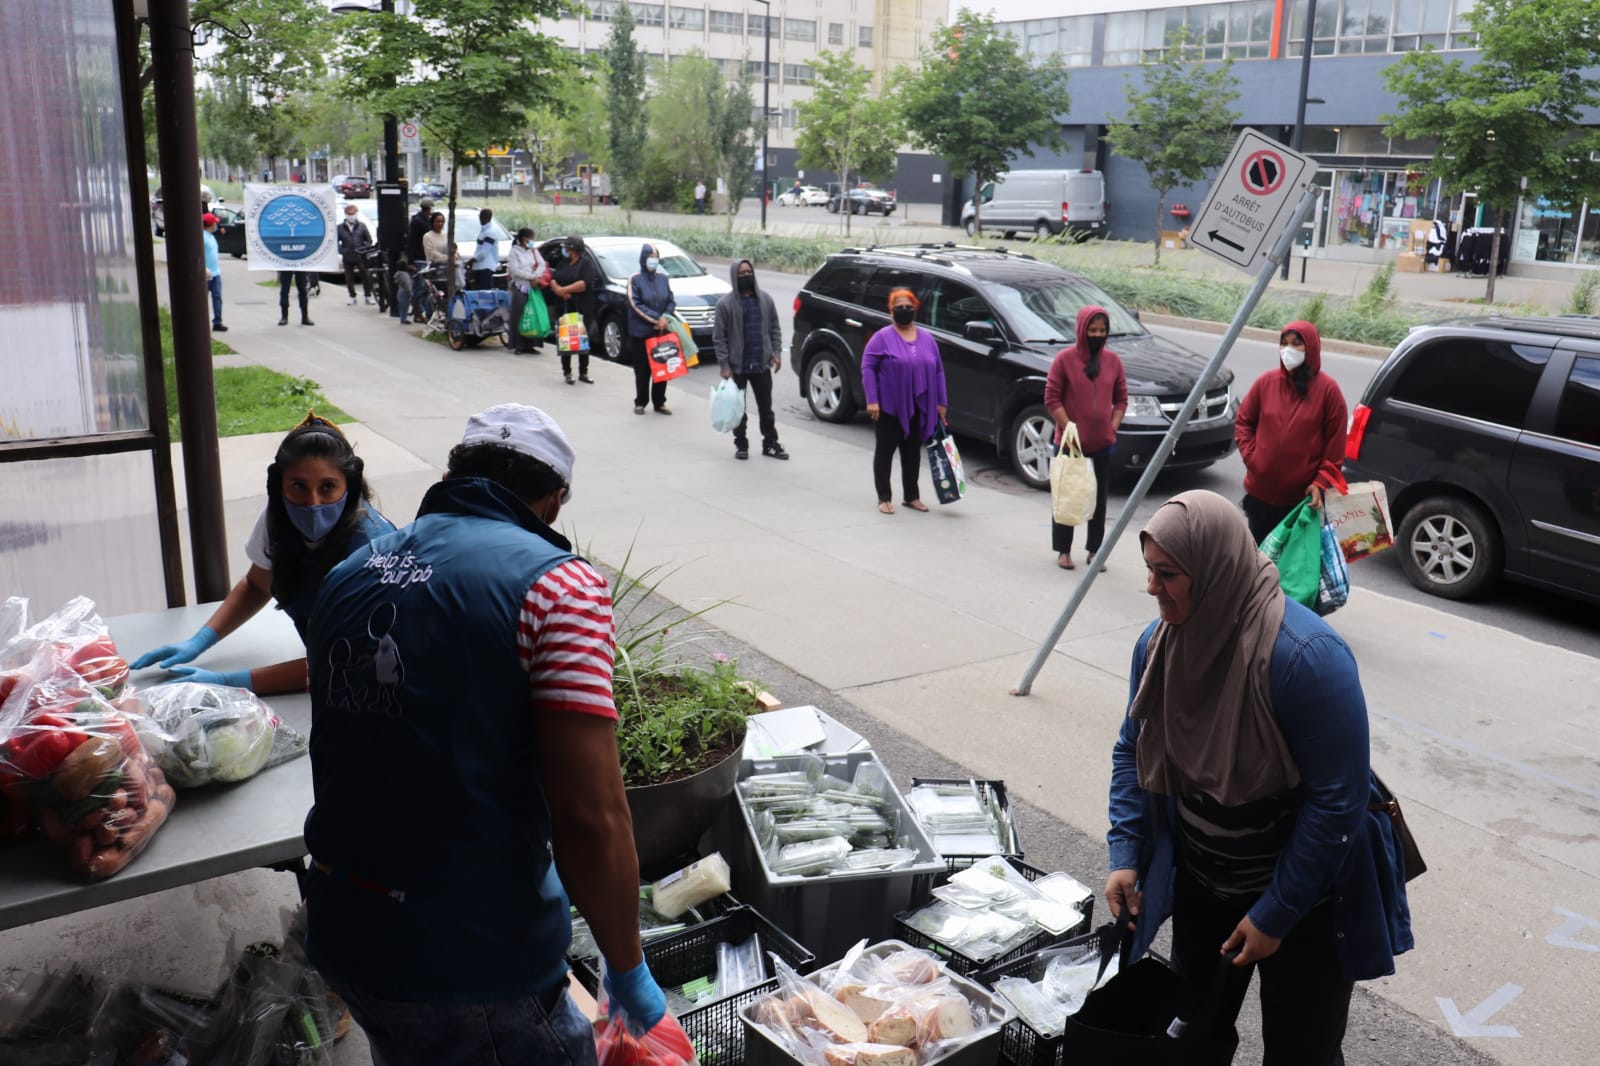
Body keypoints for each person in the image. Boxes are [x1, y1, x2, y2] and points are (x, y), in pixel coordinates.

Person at [301, 404, 667, 1066]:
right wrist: (626, 962)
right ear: (553, 502)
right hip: (472, 965)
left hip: (343, 936)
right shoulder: (559, 588)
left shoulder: (346, 575)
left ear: (450, 475)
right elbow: (590, 816)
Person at [1105, 490, 1412, 1065]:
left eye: (1168, 574)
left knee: (1302, 1049)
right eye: (1149, 571)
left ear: (1215, 569)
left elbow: (1337, 803)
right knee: (1191, 1036)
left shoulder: (1306, 659)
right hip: (1203, 884)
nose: (1152, 589)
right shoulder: (1159, 648)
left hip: (1305, 903)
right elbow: (1132, 749)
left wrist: (1276, 914)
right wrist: (1126, 853)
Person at [129, 414, 395, 694]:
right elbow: (257, 585)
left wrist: (232, 682)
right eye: (298, 486)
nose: (312, 502)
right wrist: (199, 640)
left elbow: (352, 658)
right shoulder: (278, 519)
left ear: (349, 487)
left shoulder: (373, 549)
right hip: (322, 665)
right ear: (279, 486)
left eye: (328, 487)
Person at [1234, 320, 1348, 544]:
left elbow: (1335, 448)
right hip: (1260, 497)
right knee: (1259, 560)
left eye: (1296, 344)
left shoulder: (1329, 391)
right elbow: (1244, 422)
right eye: (1284, 343)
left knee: (1290, 570)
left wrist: (1320, 482)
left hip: (1299, 502)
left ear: (1311, 348)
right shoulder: (1265, 383)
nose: (1288, 350)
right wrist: (1253, 458)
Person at [1044, 306, 1127, 570]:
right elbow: (1051, 398)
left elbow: (1121, 399)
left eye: (1102, 331)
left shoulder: (1113, 361)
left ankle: (1094, 551)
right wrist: (1068, 427)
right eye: (1092, 330)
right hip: (1070, 444)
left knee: (1098, 499)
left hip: (1102, 444)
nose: (1097, 335)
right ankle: (1063, 551)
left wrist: (1112, 427)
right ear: (1082, 330)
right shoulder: (1064, 360)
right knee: (1067, 495)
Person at [861, 288, 946, 515]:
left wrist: (941, 403)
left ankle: (911, 496)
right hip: (889, 406)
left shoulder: (927, 339)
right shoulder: (882, 338)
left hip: (919, 405)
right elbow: (868, 367)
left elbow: (938, 371)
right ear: (891, 311)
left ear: (915, 309)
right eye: (899, 307)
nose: (904, 311)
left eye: (908, 307)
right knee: (885, 451)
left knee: (912, 453)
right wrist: (872, 400)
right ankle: (884, 497)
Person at [713, 259, 787, 461]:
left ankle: (770, 443)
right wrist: (725, 366)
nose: (746, 276)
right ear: (735, 277)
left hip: (761, 365)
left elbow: (775, 329)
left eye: (749, 272)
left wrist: (776, 352)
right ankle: (741, 445)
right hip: (738, 368)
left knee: (766, 409)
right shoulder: (725, 305)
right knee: (739, 411)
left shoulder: (765, 300)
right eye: (742, 273)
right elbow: (719, 339)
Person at [627, 242, 676, 415]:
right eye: (650, 257)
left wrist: (665, 318)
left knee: (661, 368)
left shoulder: (663, 278)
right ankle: (640, 402)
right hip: (642, 332)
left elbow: (671, 300)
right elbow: (635, 304)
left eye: (656, 258)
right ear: (643, 259)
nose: (653, 261)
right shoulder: (635, 279)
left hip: (661, 332)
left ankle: (660, 402)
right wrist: (656, 319)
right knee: (642, 370)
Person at [550, 234, 601, 384]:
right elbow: (554, 278)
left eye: (567, 248)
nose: (565, 251)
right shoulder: (564, 262)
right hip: (565, 308)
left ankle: (583, 372)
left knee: (582, 340)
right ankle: (567, 372)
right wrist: (558, 290)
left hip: (582, 308)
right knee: (566, 339)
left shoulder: (586, 264)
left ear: (573, 249)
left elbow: (584, 283)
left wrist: (565, 290)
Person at [506, 227, 547, 356]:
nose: (531, 241)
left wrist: (536, 275)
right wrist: (531, 277)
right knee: (519, 316)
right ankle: (519, 345)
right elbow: (515, 271)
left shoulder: (533, 251)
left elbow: (542, 264)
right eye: (529, 239)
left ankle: (532, 344)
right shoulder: (514, 252)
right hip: (520, 286)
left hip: (532, 287)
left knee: (533, 314)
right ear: (523, 239)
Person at [337, 203, 375, 306]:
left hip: (361, 255)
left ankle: (368, 295)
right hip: (348, 256)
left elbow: (369, 240)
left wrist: (364, 249)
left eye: (353, 214)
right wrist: (342, 250)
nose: (351, 216)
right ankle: (352, 296)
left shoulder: (362, 226)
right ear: (345, 214)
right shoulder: (340, 228)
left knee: (366, 276)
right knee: (349, 278)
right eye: (349, 214)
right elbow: (335, 242)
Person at [470, 207, 509, 290]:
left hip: (485, 266)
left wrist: (472, 260)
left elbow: (484, 252)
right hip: (480, 266)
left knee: (485, 291)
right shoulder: (485, 230)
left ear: (484, 217)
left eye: (481, 216)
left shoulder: (490, 232)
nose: (480, 218)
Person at [201, 212, 227, 333]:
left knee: (217, 297)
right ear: (210, 224)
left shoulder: (211, 236)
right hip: (206, 274)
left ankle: (218, 321)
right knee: (202, 299)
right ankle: (201, 322)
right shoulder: (202, 237)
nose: (216, 224)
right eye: (215, 223)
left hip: (216, 273)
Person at [406, 197, 434, 265]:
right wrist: (411, 260)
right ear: (429, 209)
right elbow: (412, 240)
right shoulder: (418, 221)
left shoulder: (426, 220)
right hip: (420, 256)